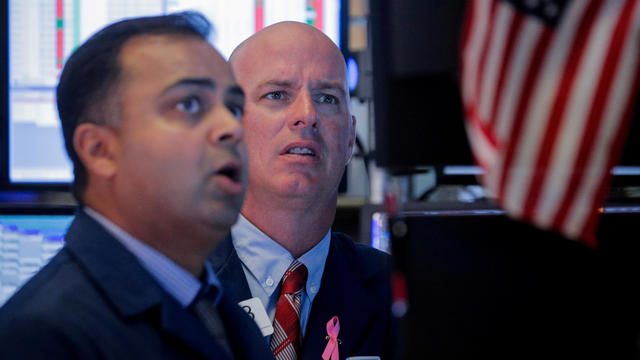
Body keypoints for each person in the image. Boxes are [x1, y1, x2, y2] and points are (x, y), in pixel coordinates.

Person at [0, 12, 273, 360]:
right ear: (100, 151)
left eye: (233, 107)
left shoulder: (224, 311)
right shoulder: (41, 338)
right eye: (189, 103)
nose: (232, 128)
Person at [209, 21, 393, 360]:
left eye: (327, 98)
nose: (307, 115)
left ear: (350, 138)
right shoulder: (166, 283)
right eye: (277, 95)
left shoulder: (397, 295)